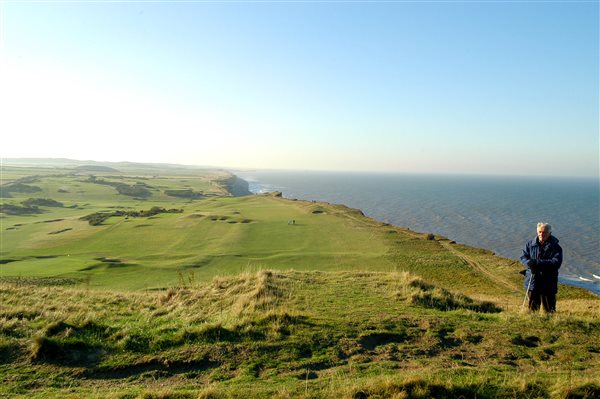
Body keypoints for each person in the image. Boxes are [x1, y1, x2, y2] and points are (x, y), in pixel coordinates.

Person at [519, 222, 563, 312]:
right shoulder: (530, 244)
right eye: (540, 232)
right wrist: (529, 264)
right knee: (532, 309)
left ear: (549, 233)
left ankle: (551, 325)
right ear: (537, 232)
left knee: (549, 310)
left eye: (544, 232)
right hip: (533, 280)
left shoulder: (556, 247)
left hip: (548, 281)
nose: (541, 234)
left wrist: (537, 263)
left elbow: (556, 263)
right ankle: (534, 324)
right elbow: (523, 257)